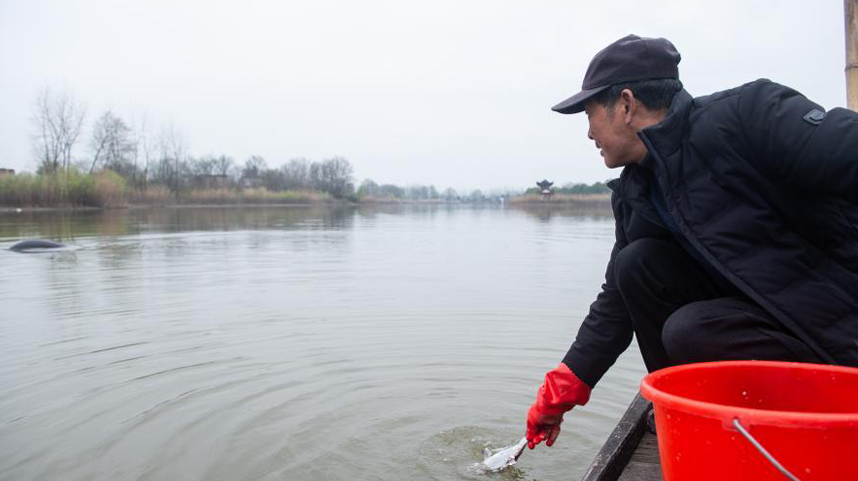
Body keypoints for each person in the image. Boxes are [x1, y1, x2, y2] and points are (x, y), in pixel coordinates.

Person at [525, 34, 858, 450]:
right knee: (637, 264)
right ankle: (686, 408)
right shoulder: (637, 192)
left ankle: (792, 424)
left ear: (626, 105)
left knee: (690, 331)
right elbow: (616, 304)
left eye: (590, 114)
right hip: (770, 336)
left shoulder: (748, 117)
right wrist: (566, 384)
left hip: (841, 337)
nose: (589, 132)